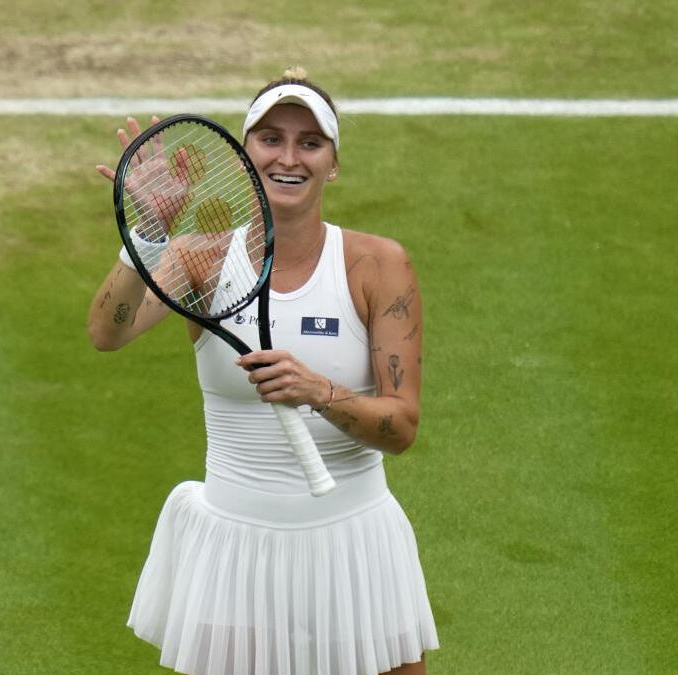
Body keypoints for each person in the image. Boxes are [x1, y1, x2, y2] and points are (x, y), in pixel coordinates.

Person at [89, 67, 438, 675]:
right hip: (236, 555)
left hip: (354, 549)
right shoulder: (196, 259)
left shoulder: (378, 266)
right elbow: (107, 332)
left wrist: (319, 392)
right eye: (271, 138)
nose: (289, 157)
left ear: (333, 164)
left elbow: (401, 427)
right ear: (247, 154)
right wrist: (148, 233)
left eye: (310, 143)